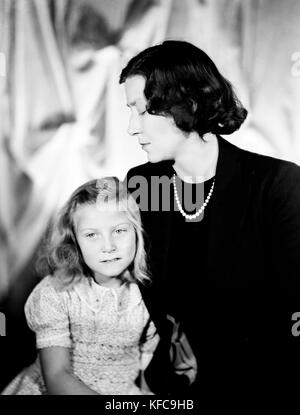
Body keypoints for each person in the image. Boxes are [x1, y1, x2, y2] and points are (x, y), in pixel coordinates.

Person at [119, 40, 300, 396]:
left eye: (142, 111)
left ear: (187, 104)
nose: (131, 127)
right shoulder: (145, 183)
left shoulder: (275, 184)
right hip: (170, 386)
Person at [1, 178, 158, 395]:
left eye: (119, 231)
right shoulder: (56, 292)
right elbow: (57, 376)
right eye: (92, 235)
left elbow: (148, 374)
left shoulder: (149, 295)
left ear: (137, 231)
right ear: (74, 240)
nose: (108, 246)